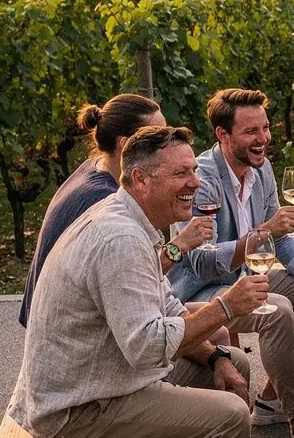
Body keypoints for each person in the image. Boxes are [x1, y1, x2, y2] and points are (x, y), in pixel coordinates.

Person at [10, 125, 283, 438]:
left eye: (192, 172)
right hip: (78, 407)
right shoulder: (119, 239)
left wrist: (218, 354)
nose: (195, 183)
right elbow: (147, 348)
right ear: (139, 180)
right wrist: (224, 308)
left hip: (98, 380)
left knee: (233, 362)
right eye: (180, 174)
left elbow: (169, 309)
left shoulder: (130, 222)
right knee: (225, 418)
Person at [169, 89, 294, 435]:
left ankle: (272, 397)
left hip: (247, 275)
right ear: (223, 135)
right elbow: (201, 261)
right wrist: (263, 233)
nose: (263, 140)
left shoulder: (262, 169)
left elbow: (281, 238)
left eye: (266, 128)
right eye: (252, 132)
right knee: (280, 311)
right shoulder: (203, 180)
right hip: (204, 290)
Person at [20, 94, 212, 326]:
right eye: (155, 135)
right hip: (72, 323)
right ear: (125, 145)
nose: (165, 141)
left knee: (209, 325)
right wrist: (182, 244)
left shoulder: (93, 170)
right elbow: (136, 274)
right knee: (212, 329)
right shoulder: (105, 202)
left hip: (65, 310)